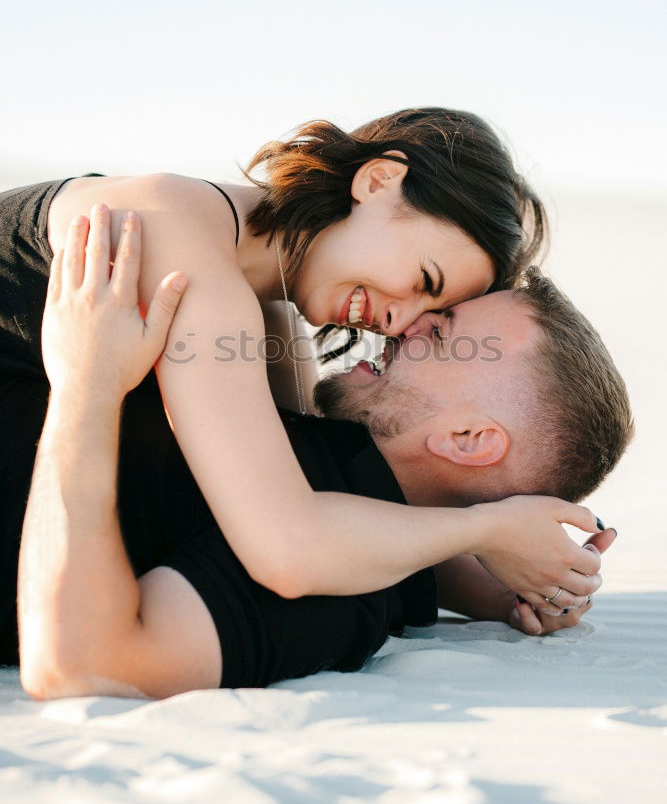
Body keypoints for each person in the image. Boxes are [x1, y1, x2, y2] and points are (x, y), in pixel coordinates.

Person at [0, 108, 600, 625]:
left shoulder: (258, 298)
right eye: (422, 281)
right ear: (380, 180)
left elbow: (300, 490)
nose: (396, 324)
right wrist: (489, 531)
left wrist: (497, 588)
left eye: (431, 309)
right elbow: (285, 543)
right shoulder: (176, 247)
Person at [16, 214, 631, 698]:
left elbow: (86, 661)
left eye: (439, 331)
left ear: (468, 440)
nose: (406, 324)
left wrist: (86, 387)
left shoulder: (338, 589)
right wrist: (493, 579)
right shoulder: (316, 464)